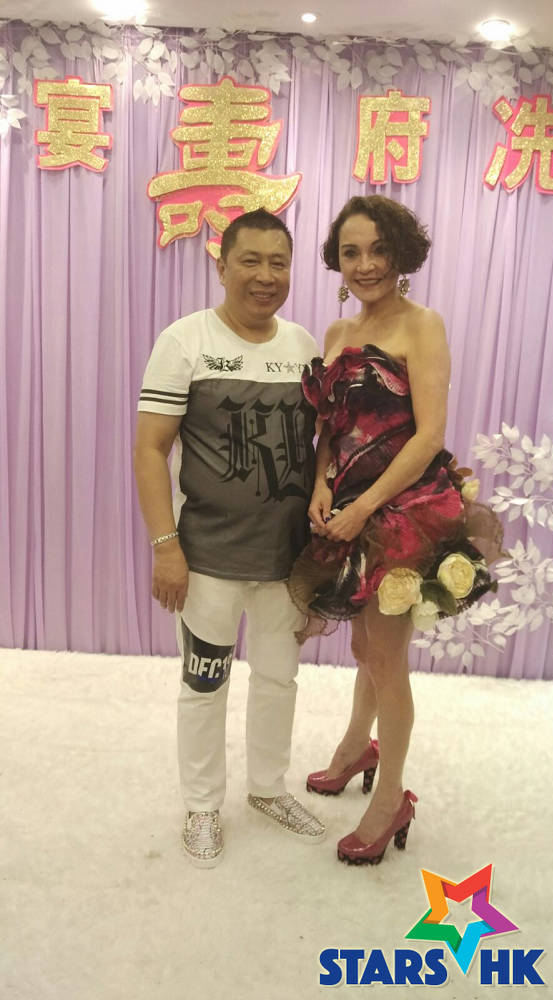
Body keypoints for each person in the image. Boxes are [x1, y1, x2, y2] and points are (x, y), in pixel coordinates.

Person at [287, 195, 502, 866]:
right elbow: (330, 429)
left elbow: (429, 434)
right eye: (351, 252)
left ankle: (392, 799)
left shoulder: (423, 324)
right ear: (337, 261)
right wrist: (323, 485)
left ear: (402, 253)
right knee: (364, 646)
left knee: (385, 656)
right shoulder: (336, 332)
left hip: (404, 510)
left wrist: (364, 508)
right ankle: (359, 747)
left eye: (379, 250)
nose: (366, 264)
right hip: (346, 505)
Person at [134, 209, 326, 868]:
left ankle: (268, 790)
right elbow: (150, 450)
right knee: (204, 683)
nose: (265, 276)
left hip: (285, 563)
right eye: (250, 261)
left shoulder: (303, 347)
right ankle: (201, 805)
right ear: (222, 267)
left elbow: (319, 449)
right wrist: (166, 546)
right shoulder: (183, 341)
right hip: (207, 559)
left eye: (278, 263)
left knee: (279, 679)